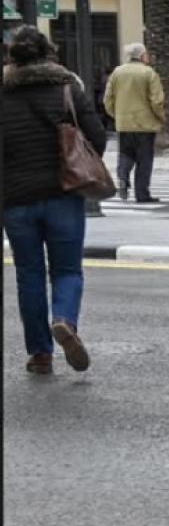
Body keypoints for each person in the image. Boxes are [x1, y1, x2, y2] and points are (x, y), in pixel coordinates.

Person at [2, 26, 107, 374]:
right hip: (64, 193)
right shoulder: (67, 88)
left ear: (11, 58)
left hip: (15, 199)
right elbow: (96, 137)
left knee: (28, 274)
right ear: (49, 53)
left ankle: (40, 354)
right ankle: (64, 320)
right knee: (66, 269)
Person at [104, 42, 165, 202]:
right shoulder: (148, 73)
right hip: (145, 124)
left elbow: (108, 98)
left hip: (124, 123)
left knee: (125, 154)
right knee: (144, 159)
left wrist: (116, 115)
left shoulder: (117, 72)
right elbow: (156, 100)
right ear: (142, 55)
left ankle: (123, 177)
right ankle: (142, 193)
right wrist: (160, 117)